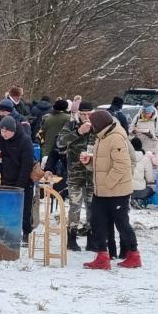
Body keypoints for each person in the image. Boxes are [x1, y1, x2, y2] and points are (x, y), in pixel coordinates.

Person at [81, 109, 140, 269]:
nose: (91, 127)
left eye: (93, 124)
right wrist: (89, 162)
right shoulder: (102, 137)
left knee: (121, 223)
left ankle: (134, 254)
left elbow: (122, 165)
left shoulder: (116, 138)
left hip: (117, 191)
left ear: (99, 124)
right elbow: (103, 164)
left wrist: (108, 183)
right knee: (97, 222)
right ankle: (102, 256)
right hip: (101, 191)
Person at [57, 102, 97, 251]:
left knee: (92, 207)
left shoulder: (98, 126)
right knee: (75, 207)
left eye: (89, 114)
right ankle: (72, 238)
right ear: (78, 114)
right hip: (75, 174)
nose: (86, 117)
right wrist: (78, 132)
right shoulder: (71, 125)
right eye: (83, 114)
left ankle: (92, 239)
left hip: (93, 175)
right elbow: (60, 143)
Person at [0, 114, 36, 244]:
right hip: (6, 177)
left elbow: (26, 165)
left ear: (14, 130)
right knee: (5, 208)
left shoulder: (25, 140)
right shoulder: (0, 138)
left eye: (6, 131)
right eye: (2, 130)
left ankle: (26, 232)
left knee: (25, 209)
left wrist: (20, 186)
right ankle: (6, 231)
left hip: (23, 180)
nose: (3, 134)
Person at [39, 99, 71, 181]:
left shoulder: (46, 118)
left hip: (47, 152)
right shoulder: (68, 118)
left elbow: (40, 134)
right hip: (62, 153)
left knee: (48, 180)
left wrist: (43, 146)